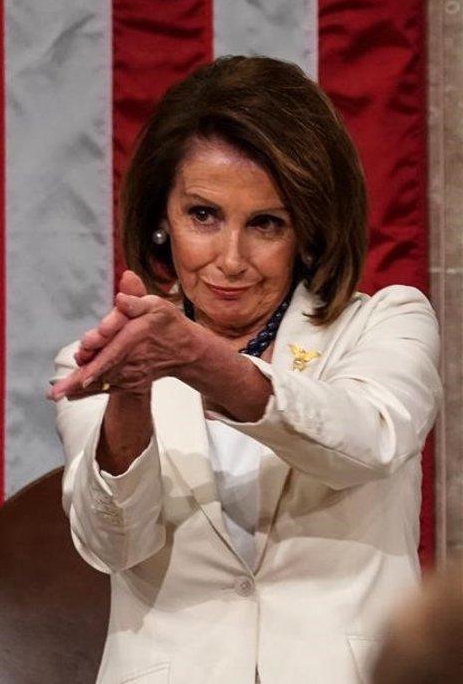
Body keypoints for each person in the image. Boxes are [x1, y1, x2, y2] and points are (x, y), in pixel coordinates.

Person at [47, 56, 442, 683]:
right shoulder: (102, 361)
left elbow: (366, 443)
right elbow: (112, 545)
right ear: (160, 224)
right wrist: (131, 395)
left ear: (308, 231)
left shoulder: (386, 323)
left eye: (266, 223)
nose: (231, 259)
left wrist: (203, 361)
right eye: (203, 215)